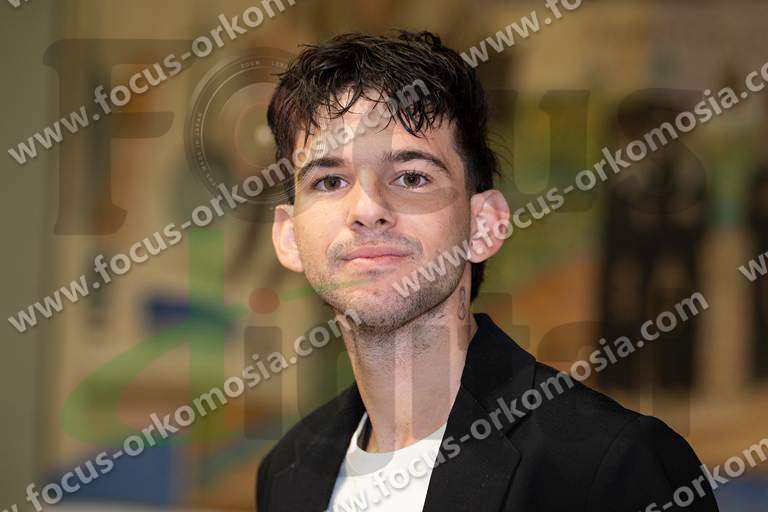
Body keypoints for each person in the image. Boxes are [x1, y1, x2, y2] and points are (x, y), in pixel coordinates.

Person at [255, 31, 719, 511]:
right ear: (288, 236)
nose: (368, 209)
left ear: (483, 225)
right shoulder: (287, 473)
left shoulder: (613, 467)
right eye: (329, 180)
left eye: (412, 177)